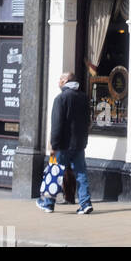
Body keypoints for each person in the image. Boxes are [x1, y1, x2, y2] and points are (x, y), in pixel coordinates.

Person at [36, 72, 93, 214]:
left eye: (61, 78)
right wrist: (83, 141)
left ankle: (48, 204)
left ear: (66, 81)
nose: (59, 80)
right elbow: (87, 122)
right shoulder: (83, 98)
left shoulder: (60, 99)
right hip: (79, 145)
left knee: (54, 173)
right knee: (81, 174)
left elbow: (56, 125)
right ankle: (85, 203)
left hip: (62, 146)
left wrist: (53, 145)